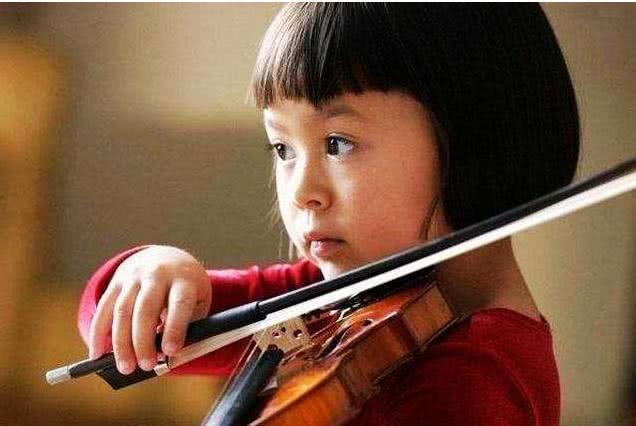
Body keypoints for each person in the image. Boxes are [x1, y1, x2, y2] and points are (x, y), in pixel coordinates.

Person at [78, 4, 580, 425]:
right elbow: (113, 332)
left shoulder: (474, 380)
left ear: (474, 139)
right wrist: (151, 272)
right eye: (282, 148)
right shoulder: (344, 304)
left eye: (337, 144)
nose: (301, 191)